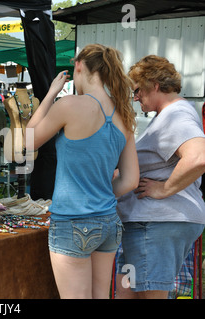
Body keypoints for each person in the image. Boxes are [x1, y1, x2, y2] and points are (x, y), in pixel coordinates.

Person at [26, 44, 139, 298]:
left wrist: (50, 94)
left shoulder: (69, 104)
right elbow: (131, 180)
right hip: (109, 221)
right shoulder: (123, 112)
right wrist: (100, 192)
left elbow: (29, 140)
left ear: (78, 66)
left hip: (72, 221)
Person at [115, 55, 205, 299]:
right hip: (148, 224)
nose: (134, 98)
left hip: (156, 223)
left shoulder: (176, 114)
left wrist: (163, 189)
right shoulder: (169, 115)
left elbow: (198, 157)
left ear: (154, 84)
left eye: (137, 91)